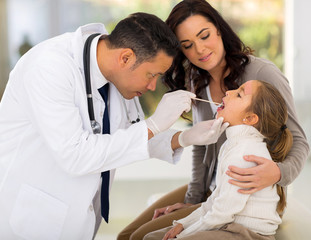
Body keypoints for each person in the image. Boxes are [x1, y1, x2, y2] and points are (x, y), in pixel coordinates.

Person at [0, 12, 228, 240]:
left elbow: (131, 136)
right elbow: (75, 155)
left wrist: (183, 138)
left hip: (77, 221)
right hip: (29, 222)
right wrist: (154, 124)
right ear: (125, 58)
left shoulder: (116, 78)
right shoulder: (49, 67)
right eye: (152, 75)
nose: (151, 86)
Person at [118, 1, 309, 239]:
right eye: (188, 45)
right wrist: (192, 201)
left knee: (139, 238)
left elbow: (299, 141)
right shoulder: (196, 81)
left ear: (219, 29)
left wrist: (278, 173)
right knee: (126, 235)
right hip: (213, 192)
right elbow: (202, 149)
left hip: (243, 199)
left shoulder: (261, 76)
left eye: (204, 36)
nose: (199, 50)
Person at [144, 80, 293, 240]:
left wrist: (183, 234)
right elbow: (214, 201)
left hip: (246, 234)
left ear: (249, 118)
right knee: (150, 237)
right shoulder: (232, 145)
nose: (229, 92)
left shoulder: (244, 154)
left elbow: (222, 213)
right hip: (228, 226)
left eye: (239, 94)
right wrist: (183, 224)